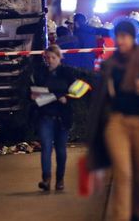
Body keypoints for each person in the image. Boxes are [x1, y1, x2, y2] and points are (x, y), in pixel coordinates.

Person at [87, 21, 139, 221]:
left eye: (125, 36)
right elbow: (100, 100)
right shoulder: (110, 63)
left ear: (134, 37)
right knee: (123, 174)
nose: (121, 40)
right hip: (116, 123)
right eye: (119, 36)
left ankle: (137, 213)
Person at [31, 45, 95, 191]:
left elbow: (79, 90)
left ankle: (60, 180)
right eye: (48, 58)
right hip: (45, 115)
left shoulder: (67, 73)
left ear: (60, 58)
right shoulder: (40, 73)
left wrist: (66, 98)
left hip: (62, 116)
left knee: (60, 149)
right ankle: (46, 179)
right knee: (46, 148)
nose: (50, 61)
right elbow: (34, 93)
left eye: (53, 58)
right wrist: (57, 94)